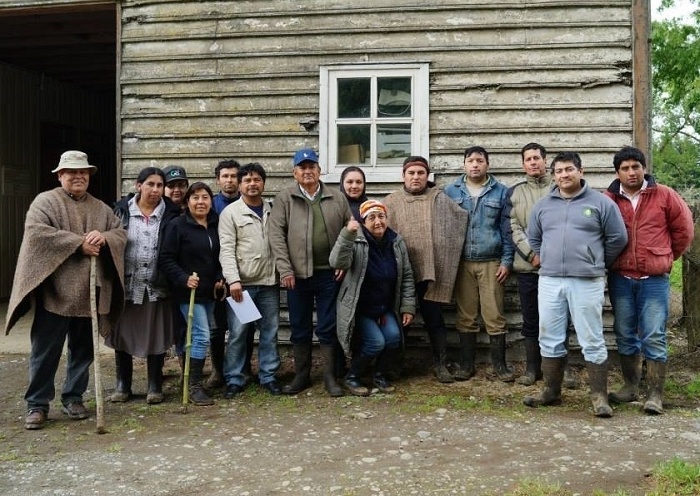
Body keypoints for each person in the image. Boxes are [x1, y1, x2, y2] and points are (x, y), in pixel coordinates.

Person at [4, 150, 127, 430]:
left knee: (82, 352)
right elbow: (36, 233)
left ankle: (73, 398)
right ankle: (37, 404)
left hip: (89, 295)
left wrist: (105, 237)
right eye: (71, 172)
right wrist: (77, 243)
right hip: (55, 295)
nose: (78, 176)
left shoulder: (101, 208)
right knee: (45, 352)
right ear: (60, 175)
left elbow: (120, 233)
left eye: (83, 172)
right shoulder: (45, 202)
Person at [524, 151, 627, 417]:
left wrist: (595, 260)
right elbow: (534, 239)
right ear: (554, 175)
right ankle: (551, 391)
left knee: (591, 338)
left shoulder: (601, 203)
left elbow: (617, 238)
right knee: (549, 337)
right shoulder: (544, 205)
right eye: (558, 171)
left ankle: (599, 397)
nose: (564, 175)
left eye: (569, 169)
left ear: (581, 171)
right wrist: (548, 257)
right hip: (550, 280)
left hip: (587, 280)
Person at [605, 146, 693, 415]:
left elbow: (684, 230)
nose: (631, 172)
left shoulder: (664, 195)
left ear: (644, 168)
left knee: (654, 334)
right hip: (621, 277)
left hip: (653, 279)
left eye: (636, 167)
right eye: (625, 168)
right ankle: (630, 386)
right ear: (617, 172)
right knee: (624, 333)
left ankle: (655, 394)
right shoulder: (609, 200)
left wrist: (664, 257)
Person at [268, 148, 352, 397]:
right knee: (299, 326)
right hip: (297, 275)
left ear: (319, 170)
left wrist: (343, 262)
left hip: (329, 274)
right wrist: (285, 270)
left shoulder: (337, 197)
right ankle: (301, 375)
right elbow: (276, 236)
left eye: (311, 167)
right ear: (295, 172)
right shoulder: (285, 198)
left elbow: (350, 232)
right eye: (302, 168)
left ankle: (330, 376)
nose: (307, 171)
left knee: (328, 325)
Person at [384, 156, 467, 383]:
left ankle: (441, 365)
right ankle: (396, 365)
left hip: (432, 271)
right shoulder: (392, 202)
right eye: (411, 173)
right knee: (403, 318)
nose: (416, 177)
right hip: (402, 273)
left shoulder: (438, 198)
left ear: (427, 176)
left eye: (421, 173)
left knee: (434, 319)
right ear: (403, 176)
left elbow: (459, 220)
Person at [108, 167, 181, 404]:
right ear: (139, 186)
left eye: (160, 185)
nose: (156, 190)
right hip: (126, 284)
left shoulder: (172, 213)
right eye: (150, 184)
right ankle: (123, 385)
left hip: (156, 284)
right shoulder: (120, 211)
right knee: (123, 334)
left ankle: (154, 385)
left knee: (155, 335)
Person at [329, 200, 416, 396]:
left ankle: (379, 375)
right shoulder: (356, 241)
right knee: (376, 342)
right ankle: (352, 376)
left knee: (393, 338)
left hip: (384, 307)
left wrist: (408, 306)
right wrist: (347, 234)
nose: (378, 222)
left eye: (381, 216)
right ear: (363, 221)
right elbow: (336, 261)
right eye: (371, 218)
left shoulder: (396, 242)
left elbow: (407, 275)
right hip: (360, 308)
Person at [444, 146, 515, 382]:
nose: (475, 164)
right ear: (464, 164)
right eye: (470, 160)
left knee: (494, 315)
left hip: (491, 262)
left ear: (487, 164)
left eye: (480, 161)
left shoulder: (501, 192)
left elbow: (507, 230)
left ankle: (500, 365)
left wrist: (506, 261)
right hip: (462, 263)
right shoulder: (451, 191)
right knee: (466, 315)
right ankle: (466, 365)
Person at [160, 182, 226, 406]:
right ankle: (195, 385)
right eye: (195, 197)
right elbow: (166, 258)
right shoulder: (178, 225)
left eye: (205, 197)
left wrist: (219, 277)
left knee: (209, 333)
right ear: (187, 202)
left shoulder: (216, 224)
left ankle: (196, 381)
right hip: (187, 292)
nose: (200, 202)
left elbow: (221, 255)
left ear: (211, 200)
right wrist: (183, 278)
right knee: (200, 335)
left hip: (210, 292)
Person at [219, 163, 281, 397]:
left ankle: (268, 375)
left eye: (257, 180)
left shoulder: (273, 209)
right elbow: (226, 249)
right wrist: (233, 280)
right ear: (240, 184)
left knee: (270, 331)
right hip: (242, 286)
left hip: (268, 284)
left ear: (263, 183)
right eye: (247, 180)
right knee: (237, 333)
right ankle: (234, 378)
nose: (252, 184)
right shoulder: (231, 213)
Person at [506, 143, 551, 385]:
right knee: (531, 319)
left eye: (537, 158)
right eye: (528, 159)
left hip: (556, 270)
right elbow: (512, 228)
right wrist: (532, 255)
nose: (533, 162)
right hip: (527, 268)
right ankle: (533, 369)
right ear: (523, 164)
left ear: (545, 160)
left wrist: (550, 258)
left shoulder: (559, 188)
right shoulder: (515, 192)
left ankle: (557, 370)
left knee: (557, 319)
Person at [209, 159, 244, 389]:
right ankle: (217, 370)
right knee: (217, 326)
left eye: (233, 176)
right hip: (216, 278)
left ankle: (244, 369)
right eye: (225, 176)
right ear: (218, 179)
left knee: (244, 323)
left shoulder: (248, 203)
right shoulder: (210, 205)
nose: (229, 180)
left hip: (243, 278)